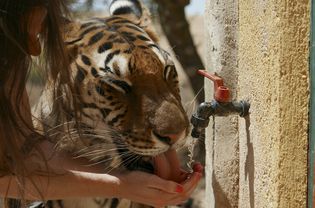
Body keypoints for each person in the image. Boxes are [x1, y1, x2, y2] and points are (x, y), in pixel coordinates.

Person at [0, 0, 203, 207]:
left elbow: (25, 152)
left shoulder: (11, 62)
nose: (35, 49)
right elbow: (5, 178)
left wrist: (123, 183)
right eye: (116, 86)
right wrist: (119, 185)